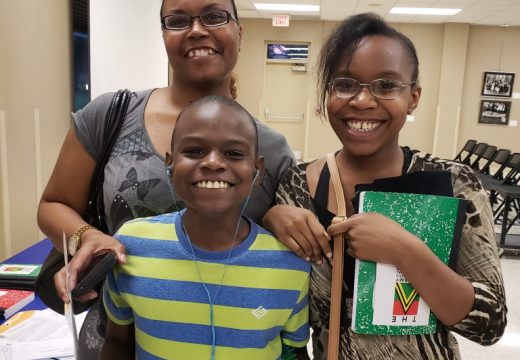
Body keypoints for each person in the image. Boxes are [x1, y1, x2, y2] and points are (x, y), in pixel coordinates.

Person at [37, 0, 294, 357]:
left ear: (240, 31)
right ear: (163, 34)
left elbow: (275, 248)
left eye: (214, 16)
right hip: (112, 338)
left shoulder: (271, 148)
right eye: (177, 20)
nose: (197, 30)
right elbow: (54, 204)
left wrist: (279, 216)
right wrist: (87, 237)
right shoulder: (110, 116)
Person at [263, 13, 507, 360]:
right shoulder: (297, 186)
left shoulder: (455, 184)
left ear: (413, 98)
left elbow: (490, 324)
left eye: (387, 85)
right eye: (345, 84)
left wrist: (405, 251)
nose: (362, 100)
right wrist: (269, 217)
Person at [100, 95, 310, 360]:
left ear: (257, 170)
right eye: (194, 151)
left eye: (233, 153)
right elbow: (117, 343)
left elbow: (295, 352)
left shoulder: (289, 264)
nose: (213, 162)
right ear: (169, 164)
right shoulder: (132, 246)